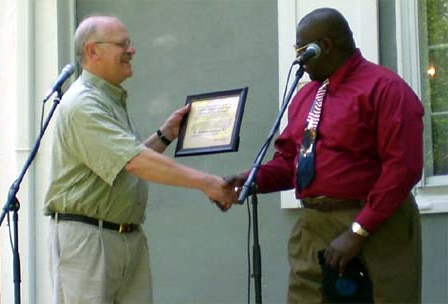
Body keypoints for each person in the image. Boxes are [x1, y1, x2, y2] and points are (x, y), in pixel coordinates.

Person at [225, 7, 424, 303]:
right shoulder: (306, 96)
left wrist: (359, 231)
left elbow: (402, 168)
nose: (298, 58)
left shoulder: (385, 88)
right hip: (313, 224)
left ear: (326, 46)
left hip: (373, 222)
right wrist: (255, 179)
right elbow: (290, 161)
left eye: (302, 49)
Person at [44, 15, 236, 304]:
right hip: (89, 241)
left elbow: (123, 162)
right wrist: (207, 182)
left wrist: (165, 135)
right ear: (93, 51)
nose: (131, 50)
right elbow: (134, 161)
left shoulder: (107, 98)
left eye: (129, 43)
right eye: (122, 44)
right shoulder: (83, 103)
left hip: (125, 237)